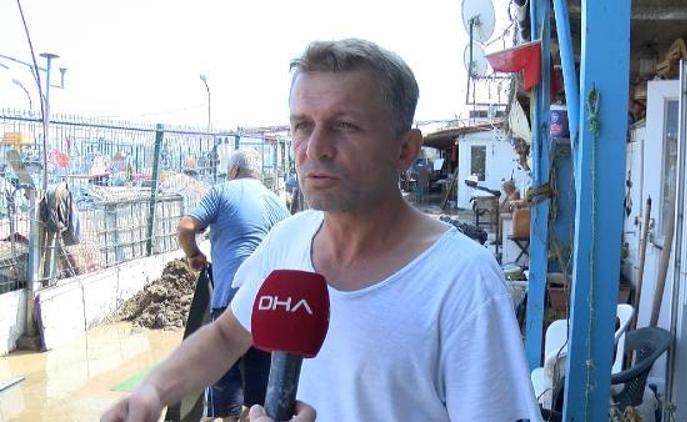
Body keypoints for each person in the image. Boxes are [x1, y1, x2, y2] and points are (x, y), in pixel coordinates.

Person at [102, 38, 540, 422]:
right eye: (302, 125)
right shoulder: (288, 240)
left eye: (344, 126)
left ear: (405, 149)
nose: (314, 148)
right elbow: (227, 336)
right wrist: (153, 390)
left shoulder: (463, 280)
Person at [177, 148, 290, 420]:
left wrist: (193, 255)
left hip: (230, 301)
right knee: (260, 394)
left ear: (234, 171)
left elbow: (186, 227)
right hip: (268, 306)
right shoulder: (276, 202)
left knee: (223, 384)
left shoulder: (222, 191)